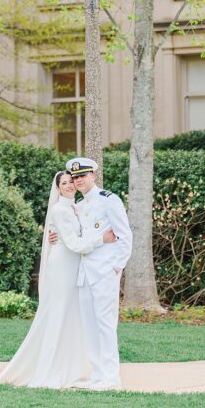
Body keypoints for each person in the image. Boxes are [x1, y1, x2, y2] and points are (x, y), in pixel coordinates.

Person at [0, 169, 117, 389]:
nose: (69, 185)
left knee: (71, 317)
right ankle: (50, 370)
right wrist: (102, 239)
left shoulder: (78, 208)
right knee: (57, 316)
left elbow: (77, 236)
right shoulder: (60, 210)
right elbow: (75, 244)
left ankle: (71, 369)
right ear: (57, 188)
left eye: (71, 181)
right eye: (64, 183)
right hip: (63, 269)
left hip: (74, 267)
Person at [49, 157, 132, 391]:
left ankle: (111, 377)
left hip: (104, 272)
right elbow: (76, 238)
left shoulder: (108, 200)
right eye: (75, 177)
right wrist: (55, 237)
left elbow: (125, 236)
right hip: (84, 273)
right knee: (90, 325)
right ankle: (97, 375)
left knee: (105, 325)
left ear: (93, 176)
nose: (78, 181)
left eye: (83, 176)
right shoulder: (80, 205)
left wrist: (116, 268)